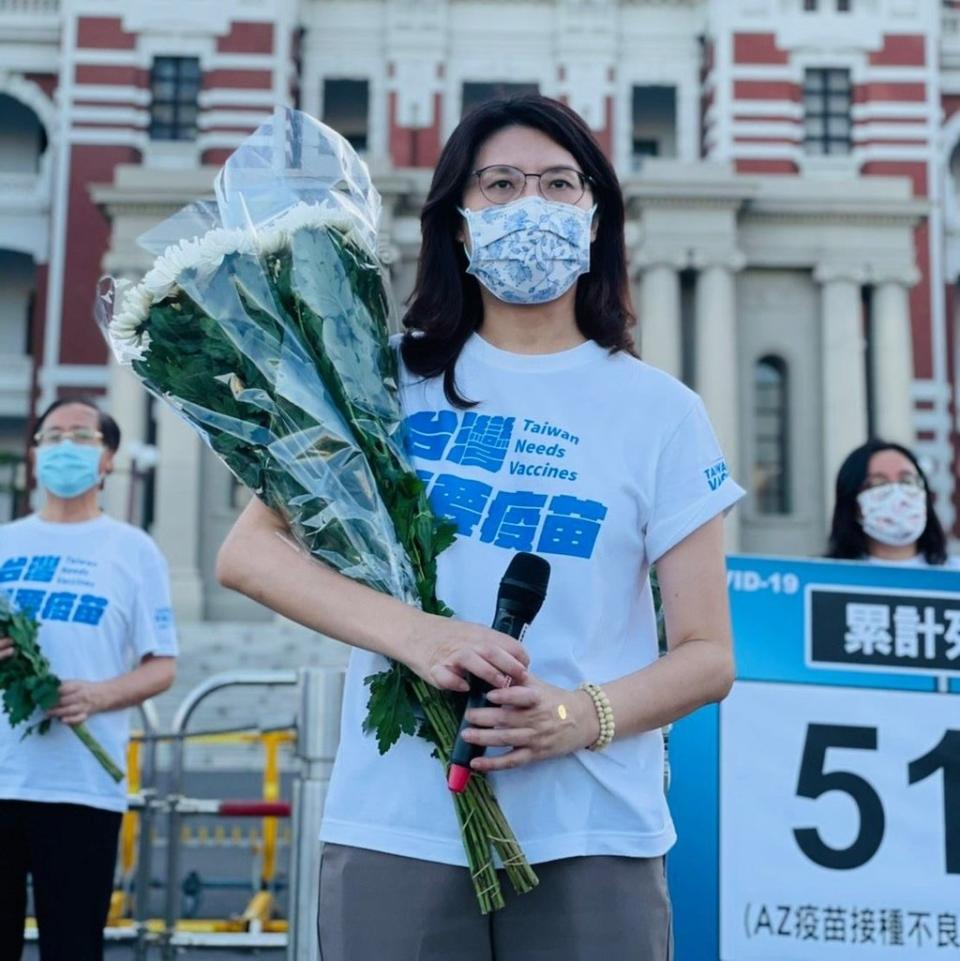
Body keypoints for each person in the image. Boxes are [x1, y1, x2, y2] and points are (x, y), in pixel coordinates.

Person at [217, 94, 744, 961]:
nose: (530, 204)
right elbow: (250, 552)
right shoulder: (385, 384)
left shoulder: (661, 412)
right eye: (499, 184)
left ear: (595, 214)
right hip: (398, 820)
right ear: (458, 224)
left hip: (592, 830)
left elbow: (706, 654)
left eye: (558, 183)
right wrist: (419, 637)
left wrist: (580, 715)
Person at [0, 397, 178, 961]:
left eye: (80, 436)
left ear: (107, 460)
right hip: (2, 779)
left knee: (72, 946)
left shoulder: (133, 551)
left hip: (82, 786)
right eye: (50, 437)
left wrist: (98, 695)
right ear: (33, 458)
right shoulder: (5, 543)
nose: (63, 448)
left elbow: (163, 665)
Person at [826, 438, 960, 567]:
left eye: (907, 481)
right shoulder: (826, 577)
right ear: (853, 504)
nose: (897, 494)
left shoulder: (953, 576)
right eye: (878, 483)